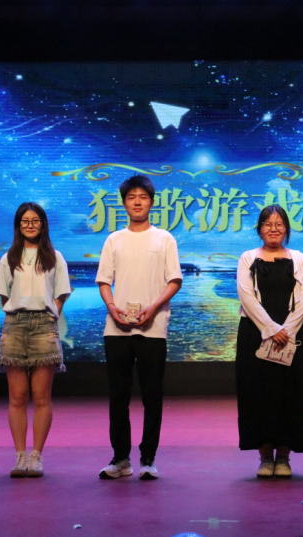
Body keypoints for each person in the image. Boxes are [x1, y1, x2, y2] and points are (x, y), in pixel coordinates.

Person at [95, 175, 182, 480]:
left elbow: (174, 280)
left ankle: (148, 459)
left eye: (142, 197)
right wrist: (112, 307)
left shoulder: (164, 239)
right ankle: (121, 459)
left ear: (152, 202)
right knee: (118, 396)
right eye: (131, 197)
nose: (137, 202)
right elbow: (104, 281)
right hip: (116, 328)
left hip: (153, 327)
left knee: (152, 396)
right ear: (123, 203)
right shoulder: (114, 239)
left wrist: (154, 307)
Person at [236, 205, 303, 478]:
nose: (273, 229)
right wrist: (270, 329)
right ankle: (264, 457)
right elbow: (246, 296)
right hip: (255, 333)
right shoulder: (248, 257)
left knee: (289, 394)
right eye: (267, 224)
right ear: (260, 228)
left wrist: (287, 331)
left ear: (286, 229)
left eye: (279, 224)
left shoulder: (299, 258)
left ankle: (284, 457)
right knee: (257, 393)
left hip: (291, 335)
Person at [0, 202, 71, 478]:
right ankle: (20, 456)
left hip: (44, 326)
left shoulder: (54, 257)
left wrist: (51, 314)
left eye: (35, 221)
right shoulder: (8, 258)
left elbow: (62, 292)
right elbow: (4, 295)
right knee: (17, 396)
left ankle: (36, 456)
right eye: (25, 221)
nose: (30, 225)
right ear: (18, 225)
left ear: (43, 224)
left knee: (41, 396)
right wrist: (18, 311)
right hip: (15, 325)